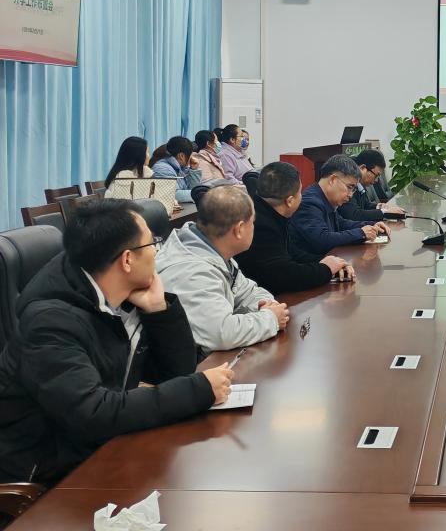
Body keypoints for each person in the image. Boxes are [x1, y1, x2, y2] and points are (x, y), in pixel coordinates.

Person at [0, 199, 231, 484]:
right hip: (49, 475)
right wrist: (199, 390)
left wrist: (159, 310)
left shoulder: (122, 295)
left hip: (98, 446)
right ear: (127, 260)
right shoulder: (50, 323)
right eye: (152, 244)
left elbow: (177, 372)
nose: (157, 252)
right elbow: (93, 414)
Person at [157, 185, 290, 354]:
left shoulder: (212, 250)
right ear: (239, 229)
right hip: (192, 364)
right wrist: (270, 318)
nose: (254, 228)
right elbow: (220, 334)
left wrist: (267, 306)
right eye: (252, 223)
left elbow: (248, 292)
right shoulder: (190, 271)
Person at [235, 162, 353, 294]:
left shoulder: (269, 211)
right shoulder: (259, 225)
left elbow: (292, 253)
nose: (302, 196)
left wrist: (330, 263)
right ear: (290, 201)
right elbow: (285, 276)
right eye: (300, 193)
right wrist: (326, 269)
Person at [289, 154, 389, 260]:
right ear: (333, 180)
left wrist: (372, 225)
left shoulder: (325, 198)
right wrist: (361, 233)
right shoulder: (310, 202)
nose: (351, 195)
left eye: (353, 189)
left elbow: (341, 224)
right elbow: (322, 240)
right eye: (349, 187)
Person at [337, 149, 405, 222]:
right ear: (363, 168)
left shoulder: (360, 183)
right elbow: (354, 215)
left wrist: (379, 207)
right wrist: (384, 212)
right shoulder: (347, 182)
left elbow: (365, 205)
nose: (376, 181)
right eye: (376, 176)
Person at [151, 136, 204, 205]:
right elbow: (172, 194)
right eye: (191, 155)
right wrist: (200, 193)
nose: (192, 158)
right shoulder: (162, 169)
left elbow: (192, 189)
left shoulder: (180, 168)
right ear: (181, 156)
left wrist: (194, 170)